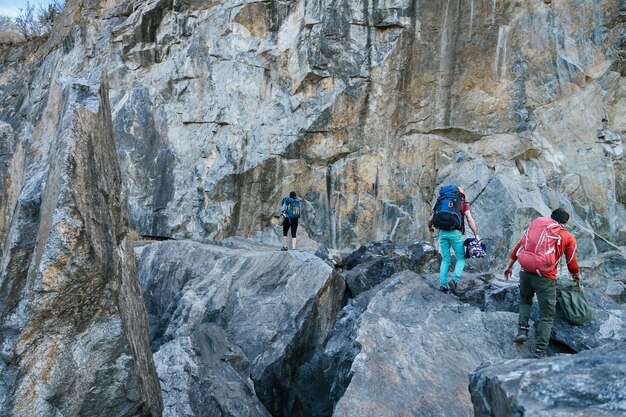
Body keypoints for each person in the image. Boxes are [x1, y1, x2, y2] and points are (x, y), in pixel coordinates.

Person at [503, 208, 580, 358]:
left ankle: (522, 330)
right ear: (564, 223)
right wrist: (576, 276)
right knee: (546, 315)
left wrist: (509, 266)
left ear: (551, 218)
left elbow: (520, 245)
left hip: (525, 272)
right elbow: (572, 263)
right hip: (545, 278)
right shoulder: (566, 236)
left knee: (525, 301)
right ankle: (540, 352)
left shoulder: (537, 226)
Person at [428, 186, 480, 294]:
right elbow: (470, 219)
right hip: (455, 234)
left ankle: (443, 284)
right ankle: (454, 280)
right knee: (461, 258)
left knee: (446, 259)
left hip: (442, 233)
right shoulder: (462, 204)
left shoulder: (441, 202)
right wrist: (476, 235)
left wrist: (430, 228)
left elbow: (431, 218)